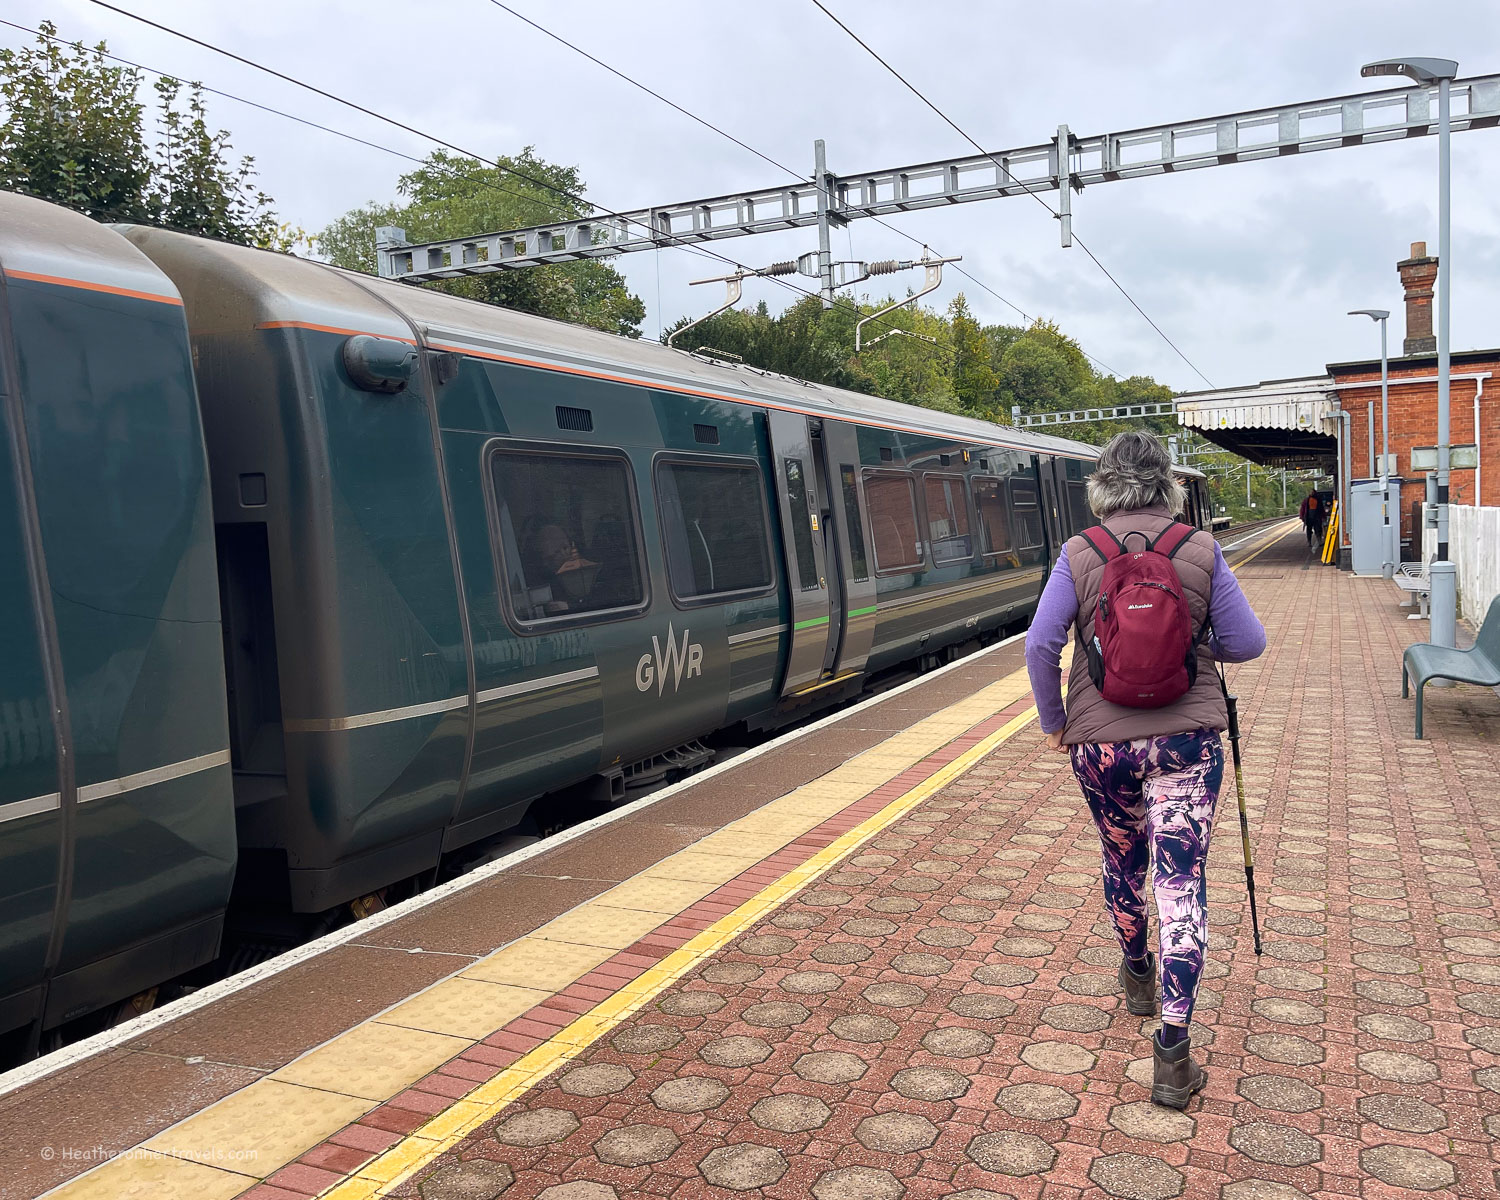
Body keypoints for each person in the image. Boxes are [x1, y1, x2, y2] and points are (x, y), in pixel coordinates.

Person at [1024, 431, 1266, 1109]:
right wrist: (1192, 640)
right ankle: (1173, 1054)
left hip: (1099, 744)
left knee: (1123, 860)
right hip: (1188, 740)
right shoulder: (1200, 548)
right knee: (1180, 881)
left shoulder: (1079, 553)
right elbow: (1247, 642)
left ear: (1101, 488)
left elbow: (1040, 646)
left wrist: (1055, 723)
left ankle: (1136, 972)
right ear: (1170, 486)